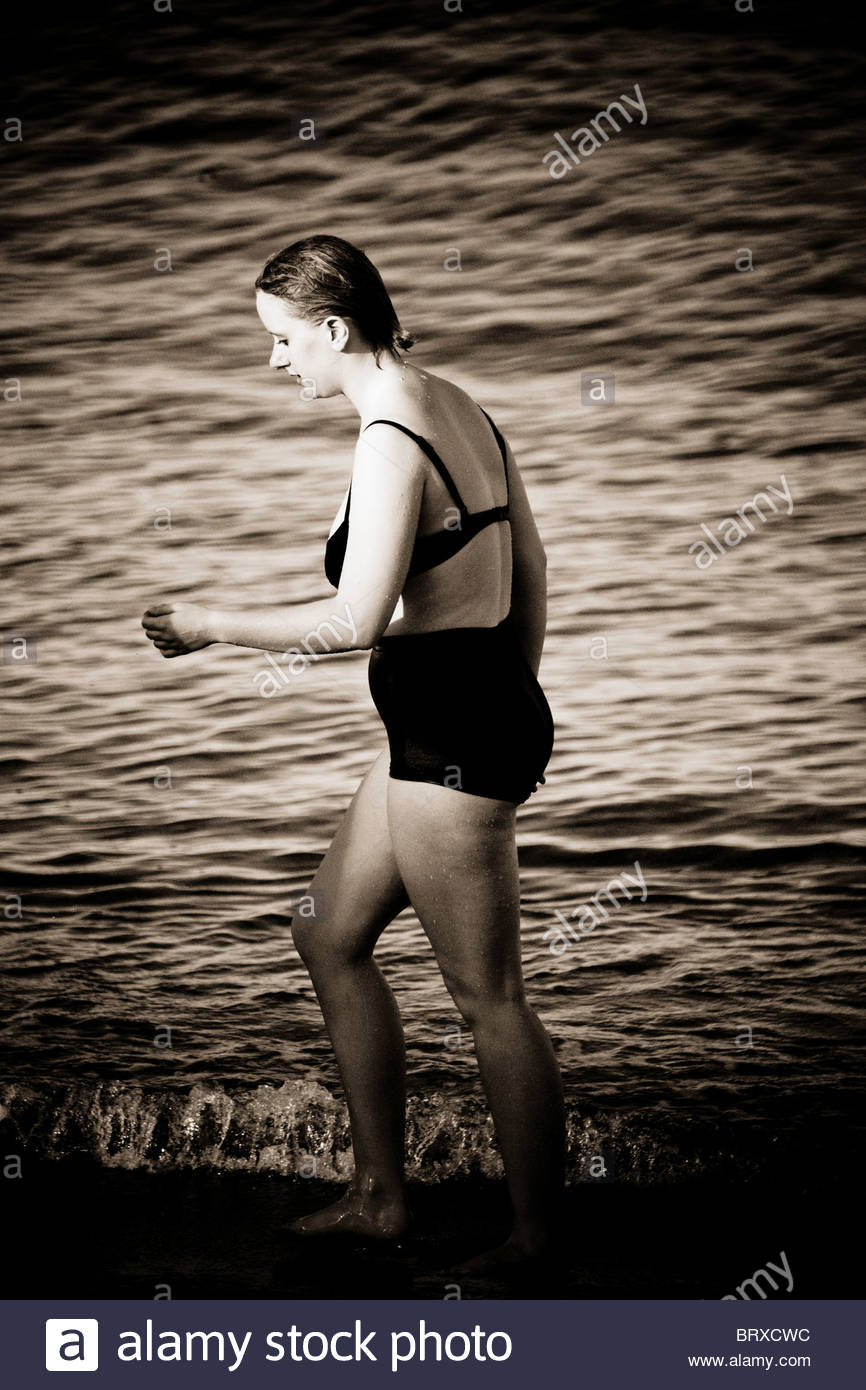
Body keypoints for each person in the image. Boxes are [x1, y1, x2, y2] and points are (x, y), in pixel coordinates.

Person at [141, 234, 564, 1274]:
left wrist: (208, 624)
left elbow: (355, 619)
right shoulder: (452, 398)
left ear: (333, 327)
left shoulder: (388, 435)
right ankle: (381, 1197)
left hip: (451, 728)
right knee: (325, 932)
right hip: (465, 709)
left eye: (282, 341)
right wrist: (521, 694)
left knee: (488, 998)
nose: (275, 360)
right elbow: (532, 565)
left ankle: (535, 1238)